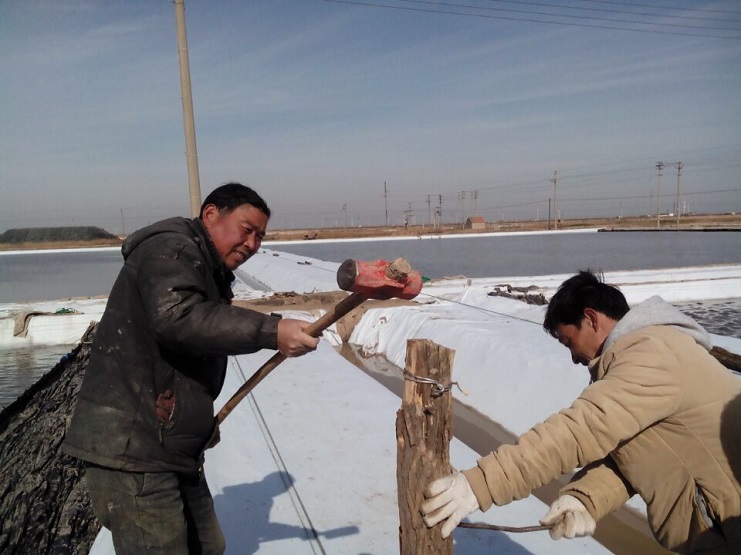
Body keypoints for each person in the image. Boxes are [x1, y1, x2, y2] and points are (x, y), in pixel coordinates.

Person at [62, 183, 319, 554]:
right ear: (211, 214)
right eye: (246, 230)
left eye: (260, 237)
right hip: (134, 450)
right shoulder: (170, 249)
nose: (252, 244)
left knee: (209, 546)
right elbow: (178, 318)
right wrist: (272, 330)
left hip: (170, 445)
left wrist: (195, 424)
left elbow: (183, 357)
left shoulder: (205, 267)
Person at [421, 270, 741, 554]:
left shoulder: (652, 354)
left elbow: (578, 432)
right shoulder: (647, 352)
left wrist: (480, 484)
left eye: (568, 341)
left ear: (591, 319)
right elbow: (635, 455)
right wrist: (585, 497)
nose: (574, 358)